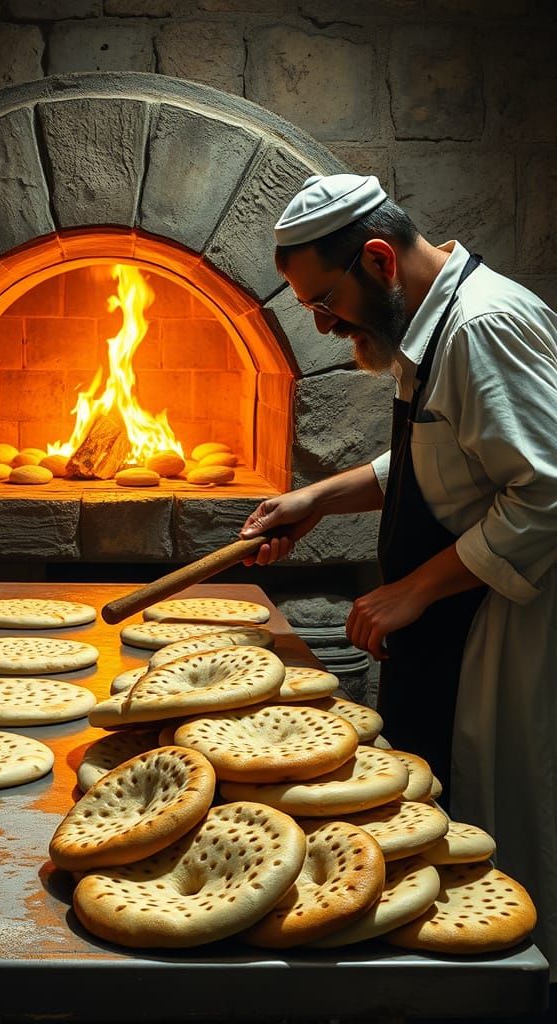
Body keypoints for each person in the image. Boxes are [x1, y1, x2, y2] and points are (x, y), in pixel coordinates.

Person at [239, 173, 557, 975]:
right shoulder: (433, 321)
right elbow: (442, 459)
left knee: (502, 833)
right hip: (456, 621)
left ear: (379, 259)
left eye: (323, 301)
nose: (318, 324)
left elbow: (547, 491)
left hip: (507, 631)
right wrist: (317, 497)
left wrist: (415, 588)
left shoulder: (484, 327)